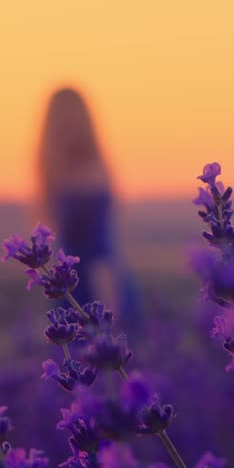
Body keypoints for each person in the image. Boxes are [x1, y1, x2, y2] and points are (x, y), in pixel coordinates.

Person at [36, 87, 140, 321]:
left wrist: (109, 310)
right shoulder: (62, 172)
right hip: (73, 288)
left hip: (98, 288)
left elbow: (98, 250)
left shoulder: (86, 173)